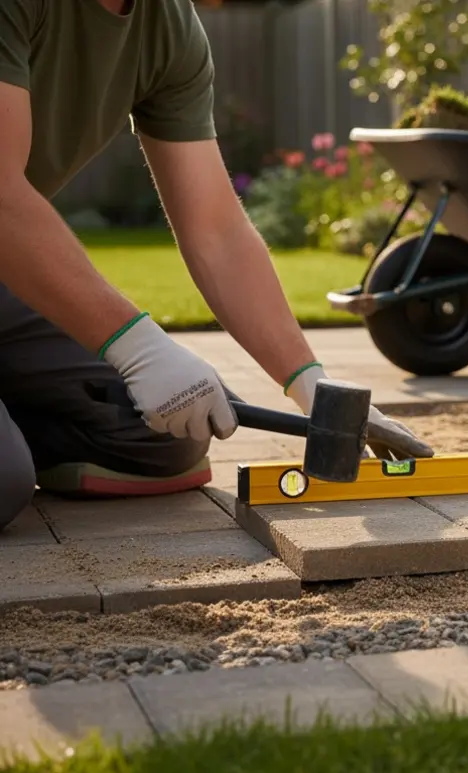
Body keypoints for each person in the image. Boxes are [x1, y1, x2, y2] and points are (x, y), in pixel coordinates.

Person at [0, 0, 434, 530]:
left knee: (163, 432)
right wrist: (137, 348)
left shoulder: (168, 25)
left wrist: (310, 384)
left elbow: (217, 231)